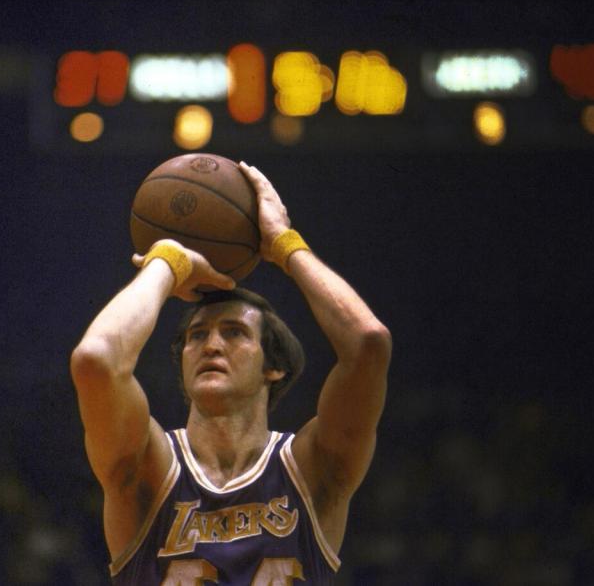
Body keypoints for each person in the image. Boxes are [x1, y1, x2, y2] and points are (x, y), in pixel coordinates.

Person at [70, 161, 391, 584]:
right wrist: (168, 261)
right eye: (196, 335)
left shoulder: (312, 468)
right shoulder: (149, 466)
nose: (212, 345)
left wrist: (284, 244)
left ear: (273, 367)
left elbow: (368, 343)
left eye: (235, 332)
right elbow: (95, 360)